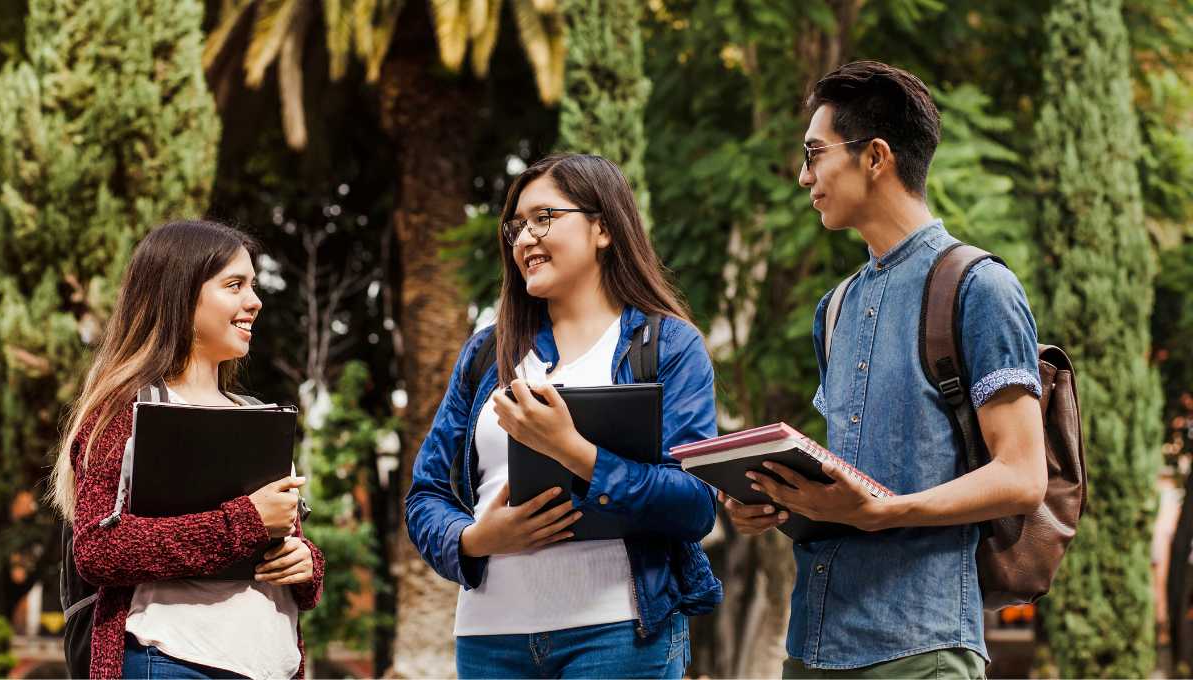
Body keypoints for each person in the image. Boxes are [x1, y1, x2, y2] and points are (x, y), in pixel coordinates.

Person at [721, 61, 1047, 679]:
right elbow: (856, 479)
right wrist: (776, 502)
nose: (803, 176)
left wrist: (884, 511)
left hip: (920, 649)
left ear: (875, 156)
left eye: (815, 155)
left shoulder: (980, 286)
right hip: (813, 644)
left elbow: (1022, 475)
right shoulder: (834, 308)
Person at [405, 153, 723, 678]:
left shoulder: (667, 346)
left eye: (544, 218)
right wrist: (476, 539)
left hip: (620, 635)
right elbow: (426, 495)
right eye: (516, 226)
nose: (525, 238)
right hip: (490, 640)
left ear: (602, 229)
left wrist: (572, 451)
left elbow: (695, 506)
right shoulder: (488, 352)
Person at [48, 220, 325, 679]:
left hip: (271, 666)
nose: (254, 302)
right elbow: (98, 549)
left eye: (253, 286)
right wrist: (246, 522)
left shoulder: (257, 415)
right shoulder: (123, 414)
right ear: (179, 295)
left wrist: (305, 563)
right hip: (173, 662)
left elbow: (281, 545)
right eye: (234, 285)